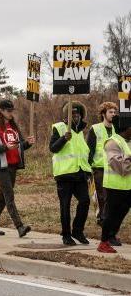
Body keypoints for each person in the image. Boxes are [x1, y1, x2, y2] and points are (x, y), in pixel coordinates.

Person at [0, 100, 34, 237]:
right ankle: (20, 226)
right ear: (1, 111)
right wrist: (5, 147)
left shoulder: (13, 127)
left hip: (13, 165)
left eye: (12, 110)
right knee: (9, 195)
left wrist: (28, 143)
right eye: (8, 110)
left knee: (3, 197)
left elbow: (20, 146)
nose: (11, 113)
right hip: (1, 166)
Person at [49, 101, 91, 246]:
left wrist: (88, 171)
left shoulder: (81, 132)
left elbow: (83, 153)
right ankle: (66, 235)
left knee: (85, 201)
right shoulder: (59, 128)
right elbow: (53, 148)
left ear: (81, 115)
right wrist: (63, 139)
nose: (75, 116)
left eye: (77, 114)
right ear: (66, 116)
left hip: (80, 174)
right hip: (64, 174)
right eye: (72, 114)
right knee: (65, 205)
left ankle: (77, 231)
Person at [97, 116, 131, 253]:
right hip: (114, 186)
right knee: (111, 215)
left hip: (127, 186)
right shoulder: (112, 143)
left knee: (122, 212)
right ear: (127, 129)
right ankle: (103, 242)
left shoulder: (127, 141)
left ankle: (111, 236)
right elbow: (121, 167)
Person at [86, 102, 117, 228]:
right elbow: (89, 149)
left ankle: (108, 218)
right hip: (99, 168)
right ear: (103, 114)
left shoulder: (117, 128)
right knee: (101, 195)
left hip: (114, 168)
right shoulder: (95, 128)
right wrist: (88, 169)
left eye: (115, 112)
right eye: (110, 112)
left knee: (112, 197)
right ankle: (102, 219)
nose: (113, 114)